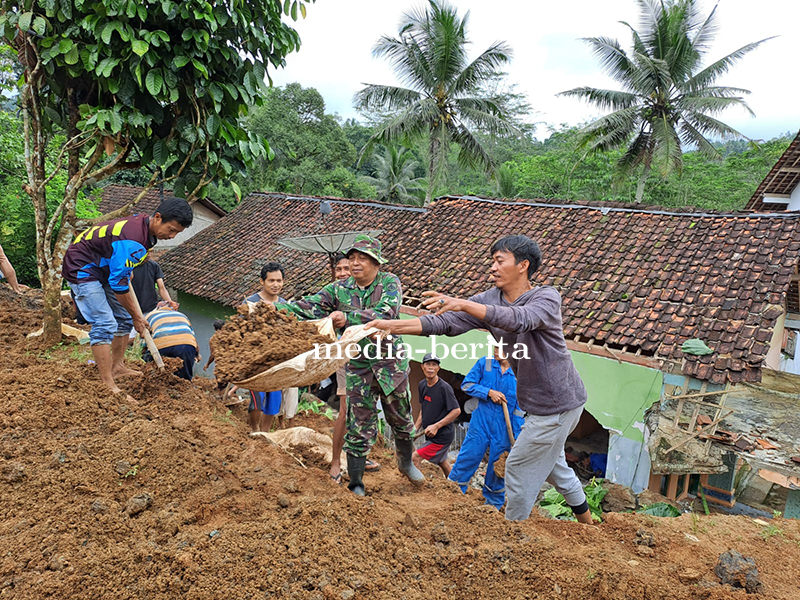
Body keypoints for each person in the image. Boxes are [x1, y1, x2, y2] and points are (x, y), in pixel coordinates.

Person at [366, 234, 593, 524]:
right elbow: (444, 322)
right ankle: (589, 526)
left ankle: (513, 533)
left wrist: (462, 303)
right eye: (492, 261)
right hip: (538, 406)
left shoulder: (546, 298)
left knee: (518, 468)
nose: (493, 267)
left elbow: (519, 319)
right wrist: (392, 325)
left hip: (558, 403)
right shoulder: (489, 299)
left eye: (500, 261)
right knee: (556, 468)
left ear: (523, 265)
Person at [276, 234, 422, 496]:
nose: (355, 263)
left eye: (362, 258)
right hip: (357, 365)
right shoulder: (338, 288)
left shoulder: (389, 282)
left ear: (376, 263)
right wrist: (276, 310)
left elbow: (387, 312)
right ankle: (356, 482)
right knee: (358, 424)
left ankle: (406, 463)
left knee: (401, 418)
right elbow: (310, 306)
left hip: (390, 365)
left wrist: (348, 318)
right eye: (352, 258)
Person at [62, 197, 192, 399]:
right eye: (171, 229)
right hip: (83, 268)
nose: (172, 236)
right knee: (104, 322)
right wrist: (138, 317)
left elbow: (119, 261)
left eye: (177, 233)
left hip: (103, 267)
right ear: (158, 217)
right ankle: (107, 382)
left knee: (123, 318)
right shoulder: (134, 239)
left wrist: (125, 269)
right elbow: (119, 286)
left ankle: (117, 367)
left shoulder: (144, 226)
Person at [327, 254, 380, 484]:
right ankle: (335, 462)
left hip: (373, 357)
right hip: (347, 356)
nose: (342, 273)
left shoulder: (369, 291)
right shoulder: (334, 294)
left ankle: (359, 455)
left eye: (346, 268)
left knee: (366, 409)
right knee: (346, 408)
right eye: (338, 269)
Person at [449, 347, 522, 508]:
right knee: (469, 456)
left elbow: (520, 409)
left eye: (499, 347)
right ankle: (452, 492)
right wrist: (488, 392)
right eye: (494, 346)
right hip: (481, 422)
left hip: (505, 428)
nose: (495, 350)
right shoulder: (485, 363)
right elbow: (467, 385)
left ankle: (493, 505)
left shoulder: (520, 373)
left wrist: (516, 437)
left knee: (498, 467)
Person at [242, 262, 288, 432]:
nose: (276, 284)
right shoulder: (250, 302)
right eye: (271, 280)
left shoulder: (285, 304)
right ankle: (255, 431)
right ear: (262, 281)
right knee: (257, 400)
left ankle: (266, 433)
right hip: (256, 359)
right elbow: (240, 329)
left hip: (278, 359)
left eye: (279, 280)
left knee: (274, 400)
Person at [413, 354, 461, 478]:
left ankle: (419, 487)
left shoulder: (444, 388)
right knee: (442, 461)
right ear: (422, 367)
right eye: (428, 364)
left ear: (438, 368)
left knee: (415, 457)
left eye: (434, 365)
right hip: (431, 435)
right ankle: (454, 484)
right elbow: (423, 409)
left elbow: (456, 411)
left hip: (442, 436)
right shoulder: (422, 385)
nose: (430, 368)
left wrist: (436, 426)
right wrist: (415, 428)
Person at [143, 303, 199, 380]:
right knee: (184, 380)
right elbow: (193, 340)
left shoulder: (150, 316)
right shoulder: (182, 315)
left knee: (151, 374)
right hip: (186, 345)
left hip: (161, 345)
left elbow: (144, 340)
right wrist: (197, 355)